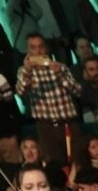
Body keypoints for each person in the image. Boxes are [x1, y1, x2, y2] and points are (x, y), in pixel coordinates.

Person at [14, 34, 82, 170]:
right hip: (46, 127)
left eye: (41, 47)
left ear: (46, 49)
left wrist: (59, 74)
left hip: (68, 123)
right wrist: (27, 71)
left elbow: (77, 91)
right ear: (28, 51)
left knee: (78, 163)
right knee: (55, 167)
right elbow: (20, 92)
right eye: (33, 48)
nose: (38, 51)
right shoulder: (24, 71)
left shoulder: (61, 67)